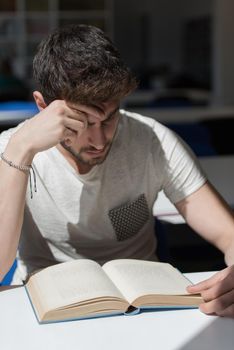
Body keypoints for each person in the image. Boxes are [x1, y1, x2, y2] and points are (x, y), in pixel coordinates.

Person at [0, 24, 233, 318]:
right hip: (50, 307)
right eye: (81, 121)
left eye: (109, 119)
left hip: (147, 304)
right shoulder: (12, 149)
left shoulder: (153, 140)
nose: (98, 141)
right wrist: (21, 150)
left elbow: (228, 233)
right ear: (43, 106)